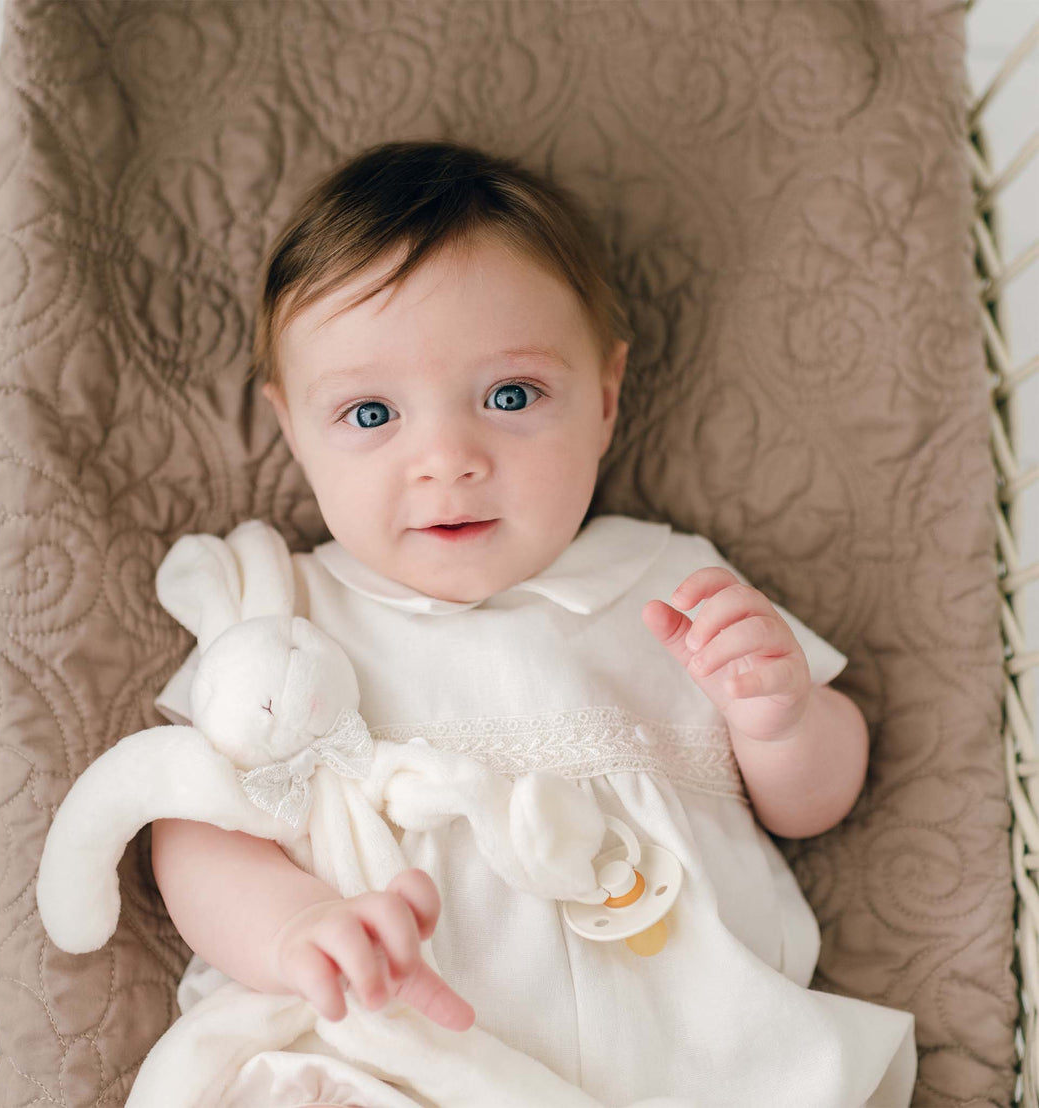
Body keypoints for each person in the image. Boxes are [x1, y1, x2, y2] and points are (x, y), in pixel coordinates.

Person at [150, 139, 915, 1106]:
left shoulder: (675, 578)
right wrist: (294, 927)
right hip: (397, 1050)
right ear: (294, 427)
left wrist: (785, 720)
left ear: (603, 399)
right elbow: (189, 817)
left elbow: (814, 802)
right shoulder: (281, 614)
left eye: (511, 396)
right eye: (372, 413)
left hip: (691, 1059)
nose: (448, 457)